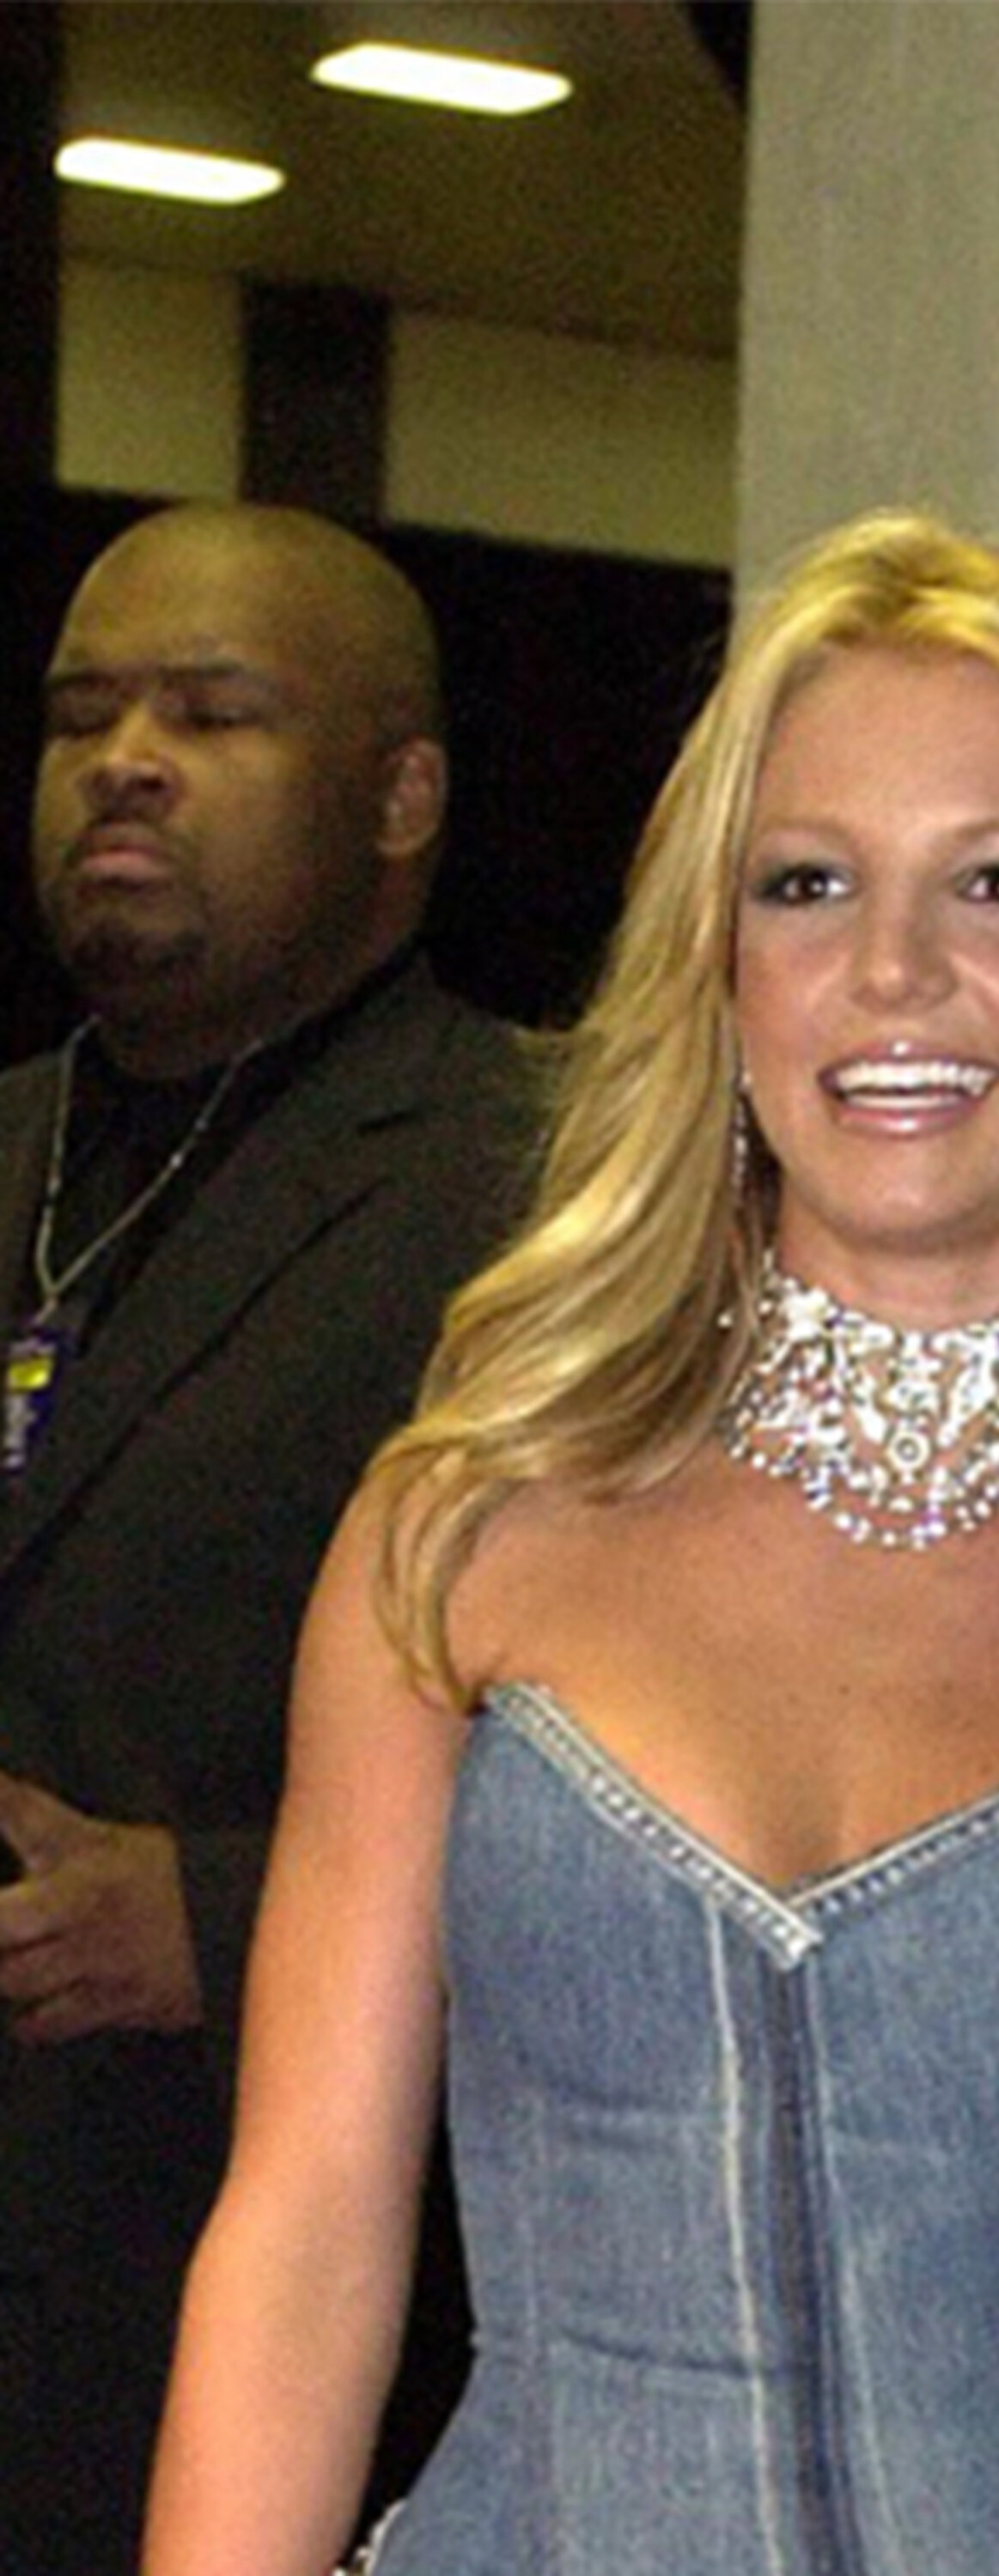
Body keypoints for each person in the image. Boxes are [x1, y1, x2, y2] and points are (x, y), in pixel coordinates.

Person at [142, 509, 999, 2576]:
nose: (890, 971)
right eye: (806, 883)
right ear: (719, 961)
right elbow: (305, 2238)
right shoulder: (468, 1526)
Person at [0, 502, 530, 2576]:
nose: (125, 762)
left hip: (258, 2330)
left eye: (211, 715)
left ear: (402, 797)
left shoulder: (548, 1194)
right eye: (82, 716)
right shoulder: (14, 1146)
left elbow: (688, 1780)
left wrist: (220, 1917)